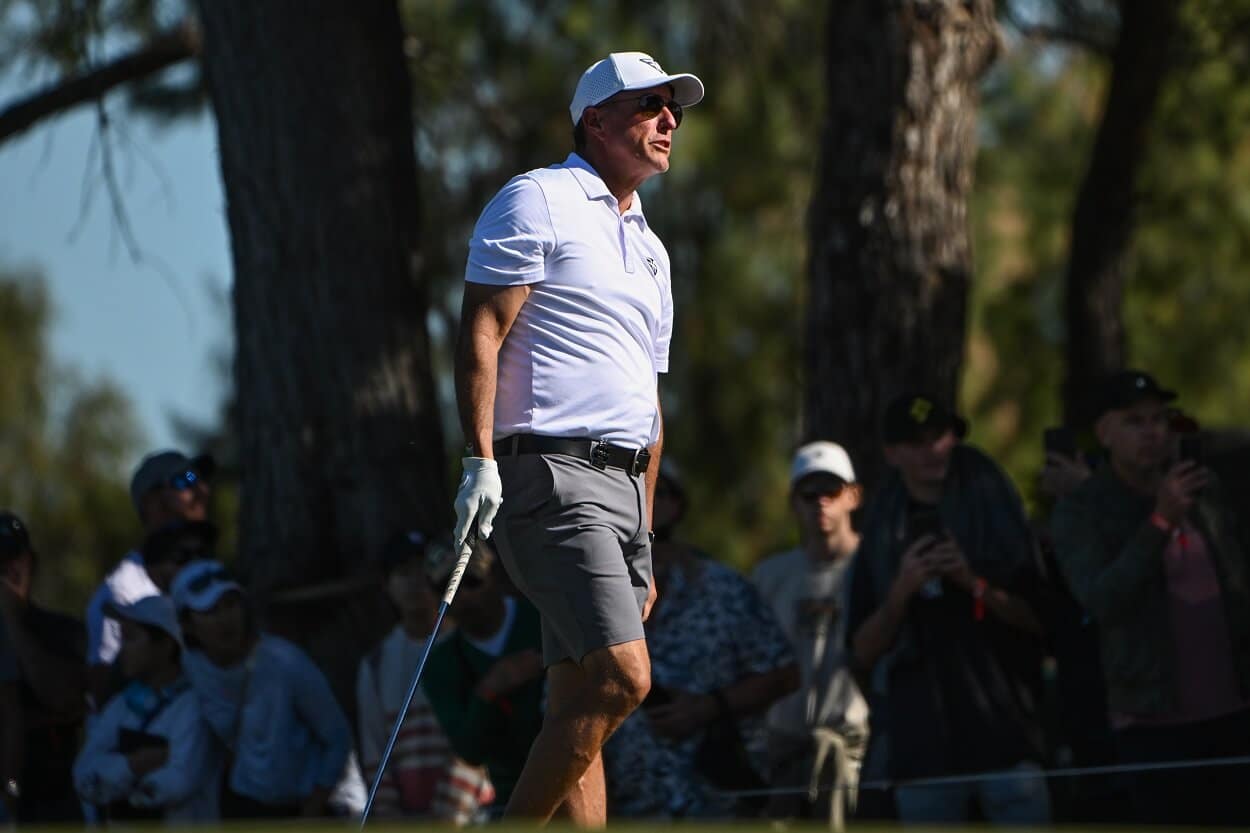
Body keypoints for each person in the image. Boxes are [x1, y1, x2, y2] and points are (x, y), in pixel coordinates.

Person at [451, 50, 704, 824]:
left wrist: (648, 533)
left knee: (578, 694)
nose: (668, 121)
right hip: (551, 476)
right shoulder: (539, 198)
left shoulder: (653, 250)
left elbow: (648, 405)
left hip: (626, 493)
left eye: (675, 110)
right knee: (625, 678)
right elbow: (482, 329)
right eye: (650, 105)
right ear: (595, 119)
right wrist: (478, 460)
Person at [1050, 371, 1250, 827]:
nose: (1153, 432)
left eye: (1160, 420)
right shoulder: (1083, 511)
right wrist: (1159, 521)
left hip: (1236, 712)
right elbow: (1101, 600)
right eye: (1135, 421)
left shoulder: (1205, 489)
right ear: (1104, 432)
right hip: (1153, 723)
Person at [846, 393, 1050, 825]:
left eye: (938, 437)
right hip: (922, 749)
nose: (931, 451)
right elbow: (859, 653)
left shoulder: (996, 515)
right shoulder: (881, 534)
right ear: (892, 453)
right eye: (915, 442)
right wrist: (902, 591)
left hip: (1006, 736)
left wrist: (972, 581)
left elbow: (1042, 620)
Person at [604, 462, 797, 818]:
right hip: (629, 809)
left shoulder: (724, 588)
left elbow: (783, 675)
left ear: (677, 506)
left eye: (658, 492)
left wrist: (709, 707)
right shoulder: (593, 593)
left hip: (716, 805)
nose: (644, 502)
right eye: (631, 490)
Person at [172, 560, 351, 819]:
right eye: (210, 611)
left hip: (303, 809)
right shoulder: (190, 668)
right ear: (187, 624)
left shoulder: (285, 662)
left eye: (231, 605)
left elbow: (337, 737)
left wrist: (313, 809)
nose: (225, 619)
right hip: (245, 807)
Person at [752, 443, 868, 823]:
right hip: (782, 747)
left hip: (854, 750)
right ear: (794, 502)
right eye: (809, 493)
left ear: (853, 496)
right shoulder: (769, 576)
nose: (820, 502)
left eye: (831, 491)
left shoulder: (877, 566)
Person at [357, 529, 493, 822]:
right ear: (387, 584)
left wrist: (448, 817)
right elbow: (375, 752)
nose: (415, 583)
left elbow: (479, 736)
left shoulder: (464, 644)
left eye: (423, 570)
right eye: (403, 572)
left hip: (473, 815)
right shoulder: (376, 664)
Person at [420, 537, 544, 813]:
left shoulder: (543, 619)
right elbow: (469, 750)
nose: (463, 596)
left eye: (472, 580)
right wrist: (489, 690)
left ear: (496, 576)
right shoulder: (441, 663)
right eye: (448, 588)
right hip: (512, 800)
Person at [73, 595, 220, 822]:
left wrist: (109, 777)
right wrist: (135, 764)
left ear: (166, 644)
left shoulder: (195, 706)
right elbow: (81, 774)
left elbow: (177, 784)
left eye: (130, 638)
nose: (122, 650)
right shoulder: (121, 704)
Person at [85, 450, 212, 709]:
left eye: (200, 479)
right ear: (154, 503)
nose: (203, 490)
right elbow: (102, 693)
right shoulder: (122, 591)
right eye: (186, 480)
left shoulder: (208, 570)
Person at [0, 511, 87, 823]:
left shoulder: (62, 631)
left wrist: (9, 620)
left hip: (53, 806)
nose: (5, 570)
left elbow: (65, 698)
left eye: (12, 558)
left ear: (31, 562)